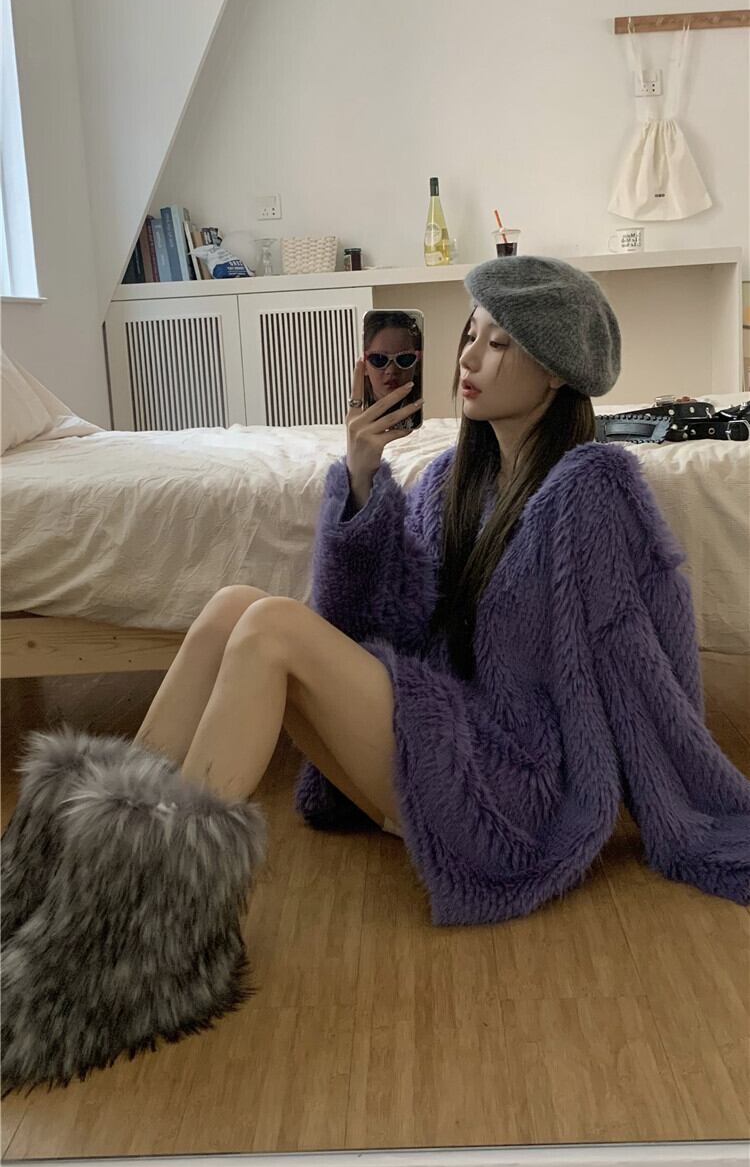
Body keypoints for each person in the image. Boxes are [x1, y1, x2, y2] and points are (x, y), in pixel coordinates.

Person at [3, 256, 748, 1097]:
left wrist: (687, 808)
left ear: (554, 371)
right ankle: (71, 864)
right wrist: (361, 477)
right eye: (469, 336)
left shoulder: (593, 491)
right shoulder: (452, 479)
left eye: (500, 343)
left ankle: (145, 932)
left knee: (272, 627)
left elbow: (641, 665)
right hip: (442, 750)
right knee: (232, 606)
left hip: (512, 795)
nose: (469, 358)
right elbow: (372, 625)